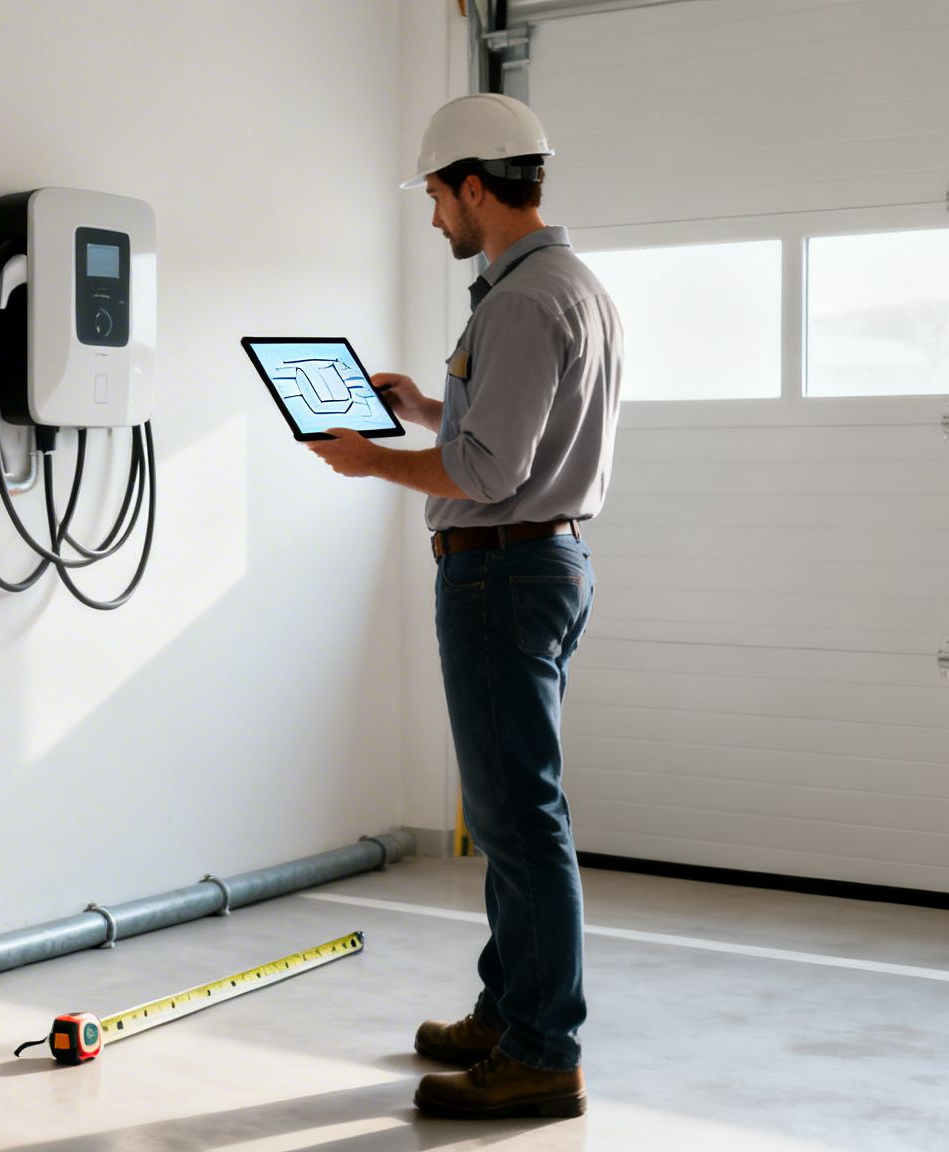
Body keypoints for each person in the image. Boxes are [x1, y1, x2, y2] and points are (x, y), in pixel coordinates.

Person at [306, 92, 622, 1120]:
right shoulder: (557, 286)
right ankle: (507, 1010)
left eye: (437, 196)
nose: (432, 216)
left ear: (477, 187)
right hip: (534, 566)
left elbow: (489, 470)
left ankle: (541, 1051)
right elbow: (511, 427)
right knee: (507, 805)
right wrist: (422, 409)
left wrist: (367, 461)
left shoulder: (524, 301)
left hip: (501, 571)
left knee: (518, 817)